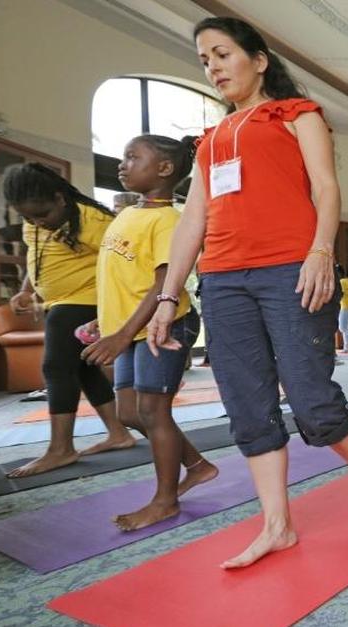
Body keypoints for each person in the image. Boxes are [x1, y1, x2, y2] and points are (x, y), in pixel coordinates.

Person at [146, 16, 348, 569]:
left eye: (223, 54)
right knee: (247, 405)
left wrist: (321, 253)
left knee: (312, 401)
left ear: (259, 60)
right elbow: (191, 223)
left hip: (290, 272)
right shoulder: (208, 142)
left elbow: (326, 187)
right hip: (224, 281)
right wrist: (168, 297)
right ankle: (277, 524)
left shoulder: (297, 115)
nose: (213, 67)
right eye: (205, 60)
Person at [80, 134, 218, 531]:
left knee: (153, 411)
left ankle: (165, 500)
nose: (122, 165)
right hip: (128, 330)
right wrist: (105, 323)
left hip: (165, 326)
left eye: (132, 157)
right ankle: (196, 464)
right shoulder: (126, 214)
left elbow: (163, 285)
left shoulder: (169, 219)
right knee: (128, 412)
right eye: (122, 157)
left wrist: (122, 335)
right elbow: (121, 279)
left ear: (164, 169)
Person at [1, 163, 135, 478]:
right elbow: (38, 257)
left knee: (56, 368)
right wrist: (25, 290)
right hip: (56, 302)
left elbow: (124, 266)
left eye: (42, 215)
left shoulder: (93, 221)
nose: (37, 222)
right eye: (28, 217)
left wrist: (110, 314)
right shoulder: (36, 221)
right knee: (83, 369)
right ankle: (118, 434)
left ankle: (61, 449)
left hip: (85, 300)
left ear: (61, 199)